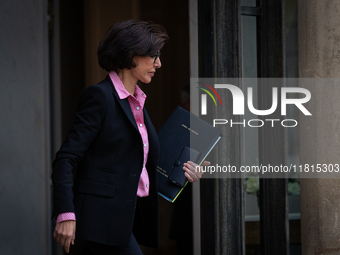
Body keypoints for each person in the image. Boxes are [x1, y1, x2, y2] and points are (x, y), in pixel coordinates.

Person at [52, 20, 209, 255]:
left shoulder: (138, 104)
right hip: (99, 221)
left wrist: (185, 171)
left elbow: (139, 166)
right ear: (130, 54)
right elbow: (66, 158)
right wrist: (65, 213)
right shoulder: (99, 97)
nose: (159, 63)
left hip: (126, 221)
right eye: (153, 55)